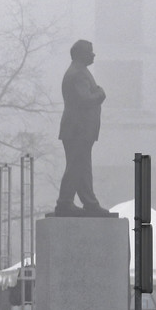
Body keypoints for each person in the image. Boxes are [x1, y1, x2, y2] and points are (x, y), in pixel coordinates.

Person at [55, 39, 108, 217]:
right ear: (79, 53)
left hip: (79, 129)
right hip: (78, 129)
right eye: (89, 51)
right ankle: (64, 202)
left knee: (82, 166)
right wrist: (100, 93)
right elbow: (84, 100)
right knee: (76, 166)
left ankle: (89, 203)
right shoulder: (78, 74)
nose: (93, 54)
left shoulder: (79, 71)